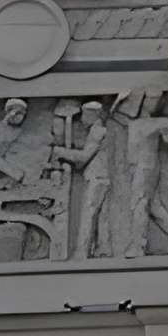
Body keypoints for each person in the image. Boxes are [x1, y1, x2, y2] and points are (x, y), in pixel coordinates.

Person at [116, 88, 168, 257]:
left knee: (139, 203)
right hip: (135, 168)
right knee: (153, 206)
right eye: (149, 98)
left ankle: (138, 246)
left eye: (157, 99)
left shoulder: (161, 123)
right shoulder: (131, 122)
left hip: (146, 167)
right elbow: (114, 112)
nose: (154, 102)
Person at [55, 101, 113, 256]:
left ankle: (82, 252)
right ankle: (103, 250)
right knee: (102, 216)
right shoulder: (98, 130)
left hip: (97, 176)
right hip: (101, 176)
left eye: (85, 115)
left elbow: (83, 157)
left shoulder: (97, 131)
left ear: (94, 115)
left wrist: (60, 151)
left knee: (89, 213)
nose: (82, 118)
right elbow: (82, 163)